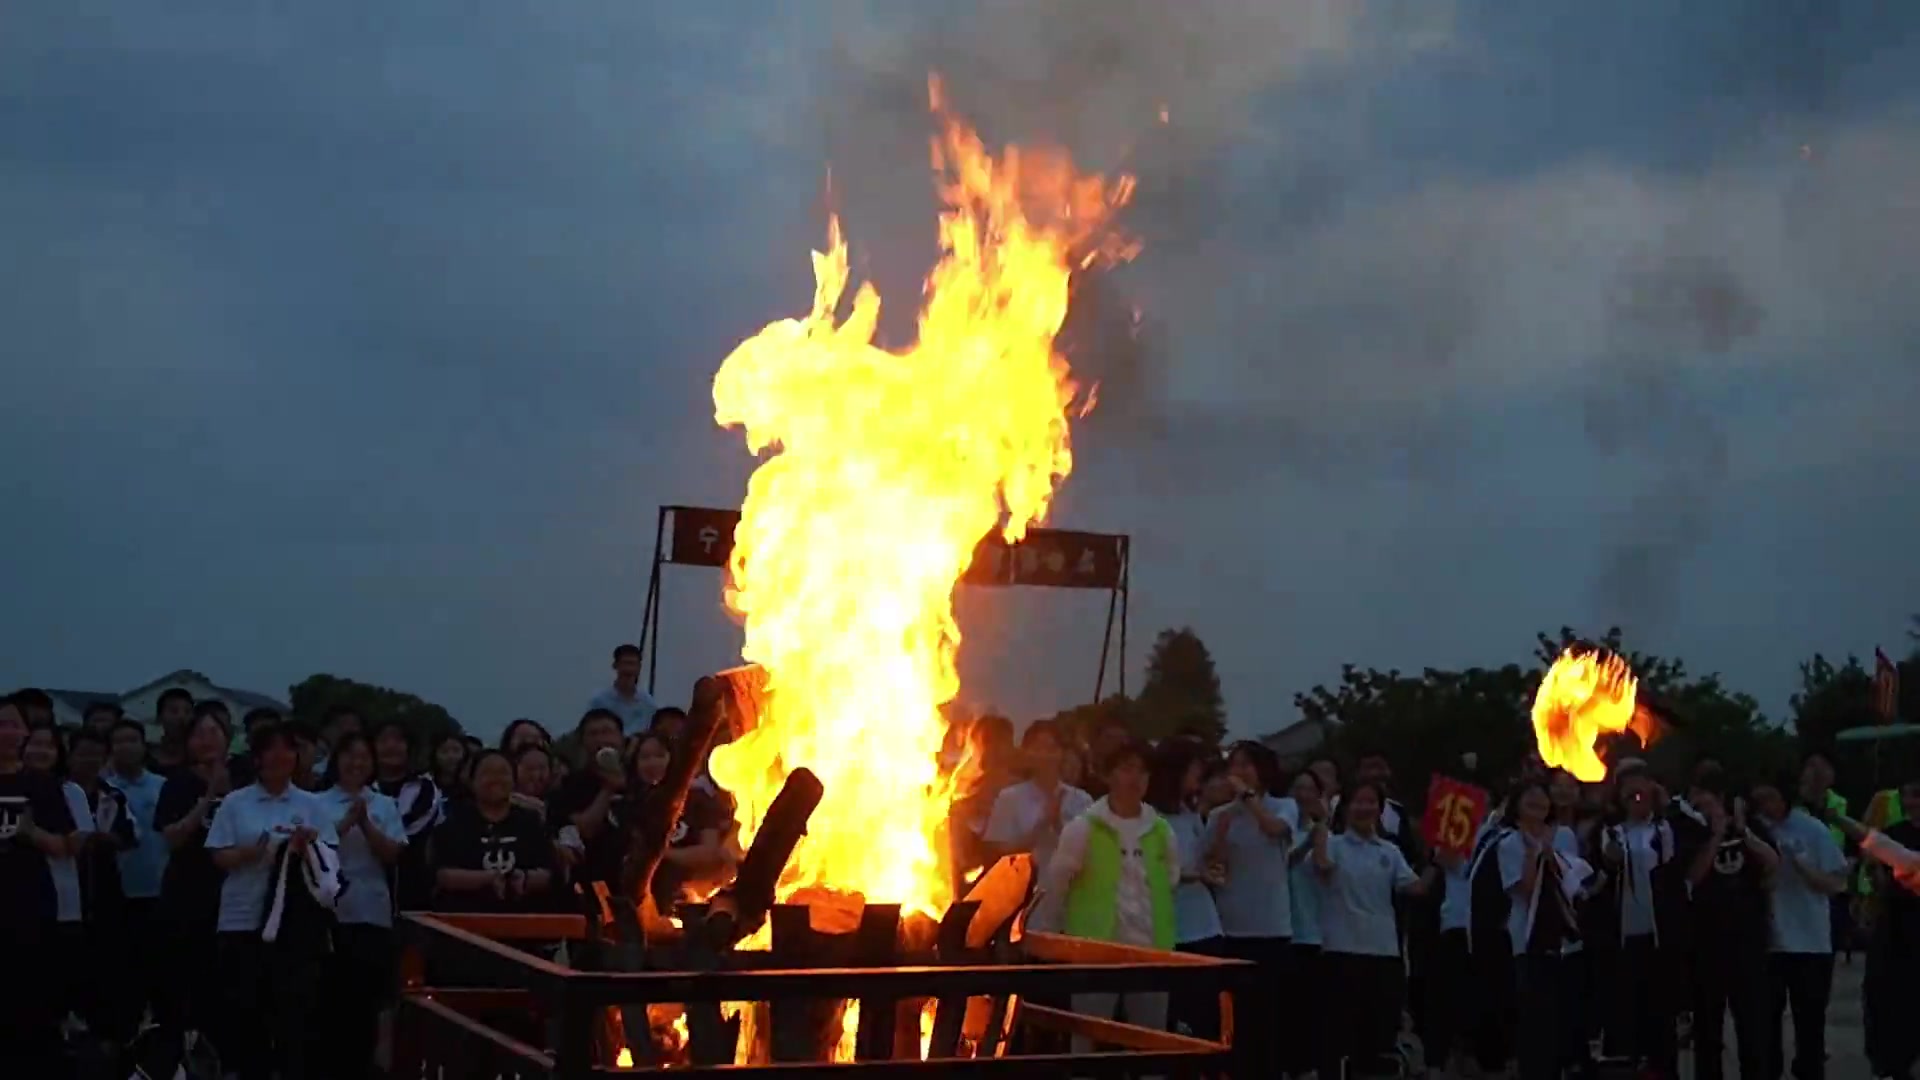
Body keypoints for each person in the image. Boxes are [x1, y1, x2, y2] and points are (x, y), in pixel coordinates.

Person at [207, 721, 340, 1080]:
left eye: (288, 748)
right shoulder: (236, 802)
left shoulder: (311, 804)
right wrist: (254, 853)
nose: (281, 756)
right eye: (272, 749)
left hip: (293, 925)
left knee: (291, 1011)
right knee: (245, 1007)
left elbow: (330, 858)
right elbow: (218, 855)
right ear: (257, 757)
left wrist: (308, 844)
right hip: (243, 916)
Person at [1031, 739, 1177, 1049]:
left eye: (1142, 771)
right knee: (1088, 1041)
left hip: (1152, 953)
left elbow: (1171, 880)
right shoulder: (1082, 828)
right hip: (1095, 953)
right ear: (1109, 775)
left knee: (1153, 1046)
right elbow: (1056, 887)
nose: (1135, 778)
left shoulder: (1162, 831)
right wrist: (1047, 939)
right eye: (1126, 769)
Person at [1314, 781, 1436, 1077]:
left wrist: (1436, 860)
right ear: (1345, 808)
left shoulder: (1389, 851)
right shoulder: (1334, 845)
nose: (1365, 808)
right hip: (1342, 950)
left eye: (1371, 803)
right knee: (1341, 1032)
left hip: (1383, 952)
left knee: (1379, 1031)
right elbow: (1322, 866)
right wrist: (1319, 828)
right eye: (1358, 801)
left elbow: (1416, 888)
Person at [317, 732, 406, 1080]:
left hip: (372, 912)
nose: (356, 763)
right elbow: (316, 850)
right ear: (337, 760)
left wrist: (365, 823)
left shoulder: (384, 804)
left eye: (363, 757)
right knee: (331, 997)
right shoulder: (317, 802)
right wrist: (346, 823)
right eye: (349, 756)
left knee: (368, 998)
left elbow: (393, 853)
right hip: (329, 913)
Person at [1207, 740, 1298, 1078]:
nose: (1240, 772)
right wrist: (1221, 830)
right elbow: (1211, 862)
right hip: (1232, 927)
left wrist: (1248, 799)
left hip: (1272, 927)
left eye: (1248, 765)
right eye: (1235, 765)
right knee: (1235, 1021)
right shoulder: (1220, 815)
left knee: (1268, 1019)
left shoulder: (1283, 806)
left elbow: (1275, 830)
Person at [1681, 766, 1777, 1080]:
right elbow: (1693, 876)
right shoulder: (1692, 831)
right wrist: (1716, 833)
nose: (1697, 804)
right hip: (1706, 945)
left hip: (1748, 944)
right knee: (1708, 1032)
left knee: (1752, 1029)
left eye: (1703, 797)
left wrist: (1740, 829)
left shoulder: (1751, 826)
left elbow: (1772, 862)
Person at [0, 697, 79, 1073]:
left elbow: (65, 846)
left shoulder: (43, 784)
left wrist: (31, 833)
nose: (6, 732)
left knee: (30, 1004)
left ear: (25, 732)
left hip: (30, 905)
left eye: (13, 724)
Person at [1754, 774, 1849, 1080]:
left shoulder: (1811, 829)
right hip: (1770, 942)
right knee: (1766, 1024)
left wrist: (1803, 867)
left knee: (1809, 1023)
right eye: (1760, 800)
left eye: (1771, 798)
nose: (1766, 806)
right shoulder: (1756, 830)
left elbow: (1837, 882)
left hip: (1811, 941)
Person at [1497, 779, 1591, 1080]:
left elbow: (1572, 883)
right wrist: (1535, 851)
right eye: (1530, 799)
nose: (1538, 803)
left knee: (1564, 1019)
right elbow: (1524, 889)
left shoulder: (1564, 834)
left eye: (1542, 798)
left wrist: (1552, 851)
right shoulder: (1508, 842)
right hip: (1529, 939)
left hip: (1564, 942)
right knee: (1535, 1023)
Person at [153, 703, 235, 1043]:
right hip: (187, 893)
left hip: (234, 894)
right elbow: (171, 837)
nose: (206, 740)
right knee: (185, 976)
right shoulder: (178, 783)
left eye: (214, 732)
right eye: (199, 734)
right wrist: (209, 797)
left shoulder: (246, 779)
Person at [1596, 761, 1680, 1074]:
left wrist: (1665, 803)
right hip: (1624, 936)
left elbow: (1675, 865)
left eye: (1640, 784)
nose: (1635, 792)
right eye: (1628, 786)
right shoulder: (1611, 832)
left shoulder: (1664, 828)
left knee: (1661, 1018)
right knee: (1627, 1016)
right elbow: (1605, 865)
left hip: (1659, 937)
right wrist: (1611, 858)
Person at [1148, 740, 1225, 1039]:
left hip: (1203, 924)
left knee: (1204, 1014)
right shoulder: (1149, 817)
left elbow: (1204, 855)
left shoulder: (1190, 813)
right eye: (1194, 773)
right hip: (1168, 928)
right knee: (1172, 1015)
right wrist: (1195, 876)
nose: (1198, 780)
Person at [103, 716, 169, 1040]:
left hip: (160, 892)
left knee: (162, 976)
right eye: (119, 741)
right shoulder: (103, 789)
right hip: (119, 895)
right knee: (124, 977)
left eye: (133, 739)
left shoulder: (162, 785)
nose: (126, 747)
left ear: (145, 746)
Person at [432, 750, 555, 914]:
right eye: (487, 773)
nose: (495, 779)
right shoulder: (454, 820)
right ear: (472, 781)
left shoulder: (531, 821)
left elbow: (548, 874)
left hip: (524, 920)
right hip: (464, 920)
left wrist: (523, 878)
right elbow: (443, 875)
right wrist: (488, 879)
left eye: (503, 773)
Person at [982, 720, 1093, 883]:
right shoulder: (1009, 798)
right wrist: (1041, 826)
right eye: (1037, 749)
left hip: (1070, 895)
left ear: (1061, 753)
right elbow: (998, 853)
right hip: (1023, 895)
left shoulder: (1081, 800)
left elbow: (1089, 854)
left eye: (1051, 749)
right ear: (1027, 753)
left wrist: (1058, 824)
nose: (1045, 755)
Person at [629, 729, 725, 914]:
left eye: (659, 755)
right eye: (644, 757)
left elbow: (709, 852)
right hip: (644, 904)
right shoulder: (633, 804)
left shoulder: (698, 799)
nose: (652, 763)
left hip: (690, 898)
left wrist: (660, 853)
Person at [1865, 779, 1920, 1079]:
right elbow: (1876, 871)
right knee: (1890, 999)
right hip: (1896, 928)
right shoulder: (1894, 834)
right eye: (1911, 796)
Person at [370, 720, 443, 912]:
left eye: (398, 740)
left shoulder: (425, 788)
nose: (391, 746)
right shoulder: (363, 787)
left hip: (414, 888)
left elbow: (409, 830)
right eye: (383, 740)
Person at [1285, 767, 1329, 1076]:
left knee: (1313, 1009)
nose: (1302, 795)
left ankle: (1309, 1067)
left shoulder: (1325, 834)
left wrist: (1321, 833)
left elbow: (1328, 870)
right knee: (1288, 1009)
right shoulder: (1280, 831)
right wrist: (1308, 843)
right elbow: (1284, 862)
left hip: (1314, 933)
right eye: (1297, 788)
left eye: (1309, 789)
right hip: (1284, 931)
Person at [589, 644, 658, 732]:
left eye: (632, 664)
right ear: (615, 665)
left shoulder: (648, 704)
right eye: (625, 663)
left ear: (639, 668)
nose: (628, 669)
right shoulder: (600, 701)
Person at [151, 686, 196, 775]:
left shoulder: (200, 757)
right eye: (174, 711)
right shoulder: (145, 758)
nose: (181, 717)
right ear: (159, 718)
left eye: (187, 711)